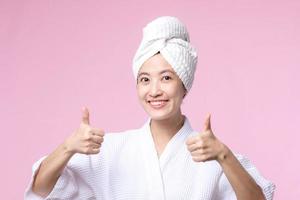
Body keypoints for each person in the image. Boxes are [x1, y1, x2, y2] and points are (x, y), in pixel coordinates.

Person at [25, 16, 275, 200]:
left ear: (184, 86)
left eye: (166, 78)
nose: (154, 90)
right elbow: (41, 190)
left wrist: (224, 156)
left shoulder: (211, 157)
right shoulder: (110, 151)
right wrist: (68, 147)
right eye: (145, 79)